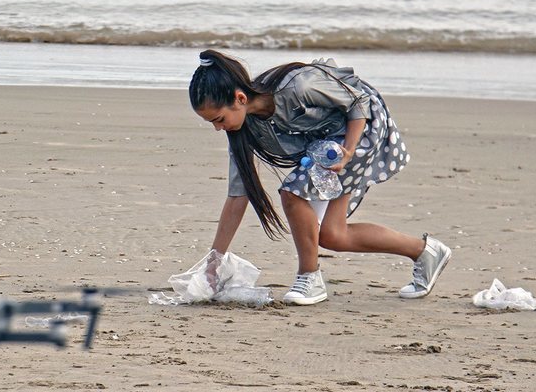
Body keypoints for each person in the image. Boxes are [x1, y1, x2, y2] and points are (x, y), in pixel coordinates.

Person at [189, 49, 451, 305]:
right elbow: (237, 197)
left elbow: (357, 102)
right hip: (326, 143)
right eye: (211, 122)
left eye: (219, 118)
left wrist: (348, 151)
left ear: (240, 98)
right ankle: (425, 251)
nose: (217, 127)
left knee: (293, 192)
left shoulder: (297, 86)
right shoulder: (242, 131)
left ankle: (309, 277)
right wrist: (215, 262)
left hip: (360, 127)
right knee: (332, 235)